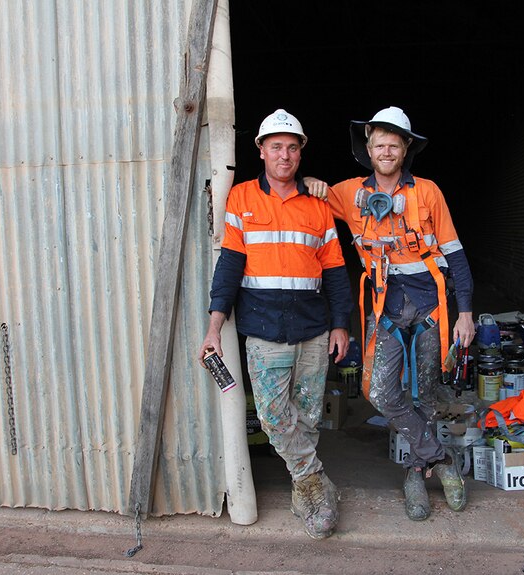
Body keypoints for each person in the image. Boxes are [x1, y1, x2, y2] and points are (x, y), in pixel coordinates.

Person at [306, 106, 475, 521]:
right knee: (379, 392)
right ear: (368, 148)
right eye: (379, 144)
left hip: (431, 307)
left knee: (428, 398)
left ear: (405, 150)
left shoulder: (428, 192)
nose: (386, 151)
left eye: (393, 144)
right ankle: (441, 460)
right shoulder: (346, 193)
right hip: (384, 308)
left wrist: (466, 312)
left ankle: (415, 474)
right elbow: (304, 205)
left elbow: (456, 254)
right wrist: (310, 183)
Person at [199, 109, 353, 540]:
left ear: (300, 152)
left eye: (292, 147)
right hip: (264, 330)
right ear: (261, 151)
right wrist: (214, 326)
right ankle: (314, 481)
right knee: (271, 416)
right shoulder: (243, 199)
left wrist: (341, 325)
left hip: (314, 328)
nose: (283, 155)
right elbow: (229, 268)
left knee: (305, 415)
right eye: (275, 147)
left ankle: (302, 491)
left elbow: (337, 272)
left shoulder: (317, 205)